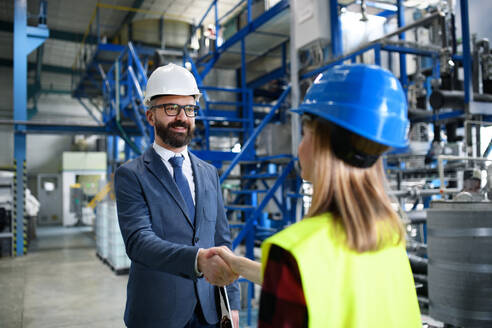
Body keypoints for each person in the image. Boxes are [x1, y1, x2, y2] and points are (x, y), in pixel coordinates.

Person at [209, 64, 422, 327]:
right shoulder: (389, 236)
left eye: (305, 133)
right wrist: (240, 266)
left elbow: (304, 276)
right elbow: (324, 283)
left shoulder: (292, 252)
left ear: (323, 143)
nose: (300, 146)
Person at [114, 63, 240, 328]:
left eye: (189, 108)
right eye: (171, 108)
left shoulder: (209, 174)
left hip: (209, 313)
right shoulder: (131, 175)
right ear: (150, 116)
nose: (182, 117)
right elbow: (138, 241)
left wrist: (232, 305)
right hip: (157, 314)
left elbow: (222, 240)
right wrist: (196, 261)